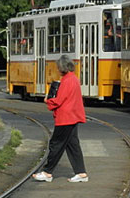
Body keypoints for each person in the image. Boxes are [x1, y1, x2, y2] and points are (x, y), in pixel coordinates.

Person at [32, 55, 88, 183]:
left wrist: (48, 100)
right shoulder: (74, 79)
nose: (57, 70)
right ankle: (81, 173)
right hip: (73, 116)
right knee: (72, 145)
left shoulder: (66, 81)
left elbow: (59, 100)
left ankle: (47, 172)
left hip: (66, 117)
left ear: (62, 68)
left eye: (58, 67)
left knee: (56, 144)